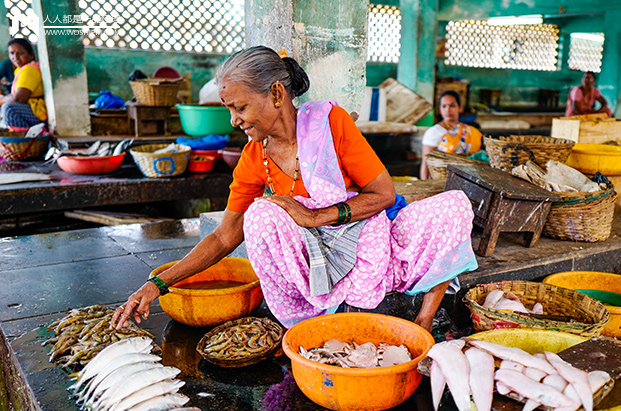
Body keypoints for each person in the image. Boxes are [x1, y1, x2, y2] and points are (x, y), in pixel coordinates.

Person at [111, 46, 477, 332]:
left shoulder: (330, 123)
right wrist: (158, 284)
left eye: (239, 107)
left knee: (454, 207)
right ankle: (311, 316)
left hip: (369, 241)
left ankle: (425, 320)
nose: (233, 120)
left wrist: (318, 215)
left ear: (275, 94)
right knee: (260, 215)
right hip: (315, 262)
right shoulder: (256, 157)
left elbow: (381, 195)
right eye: (228, 109)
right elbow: (225, 237)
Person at [419, 90, 483, 180]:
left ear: (460, 107)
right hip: (441, 181)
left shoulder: (470, 131)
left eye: (452, 105)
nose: (447, 109)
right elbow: (426, 164)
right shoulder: (433, 132)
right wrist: (425, 185)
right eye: (444, 106)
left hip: (469, 179)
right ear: (440, 109)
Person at [0, 38, 46, 130]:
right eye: (12, 53)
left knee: (9, 108)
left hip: (38, 112)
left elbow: (19, 98)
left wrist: (2, 100)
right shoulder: (22, 69)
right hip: (33, 111)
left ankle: (23, 140)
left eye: (20, 53)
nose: (15, 57)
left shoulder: (30, 69)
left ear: (31, 54)